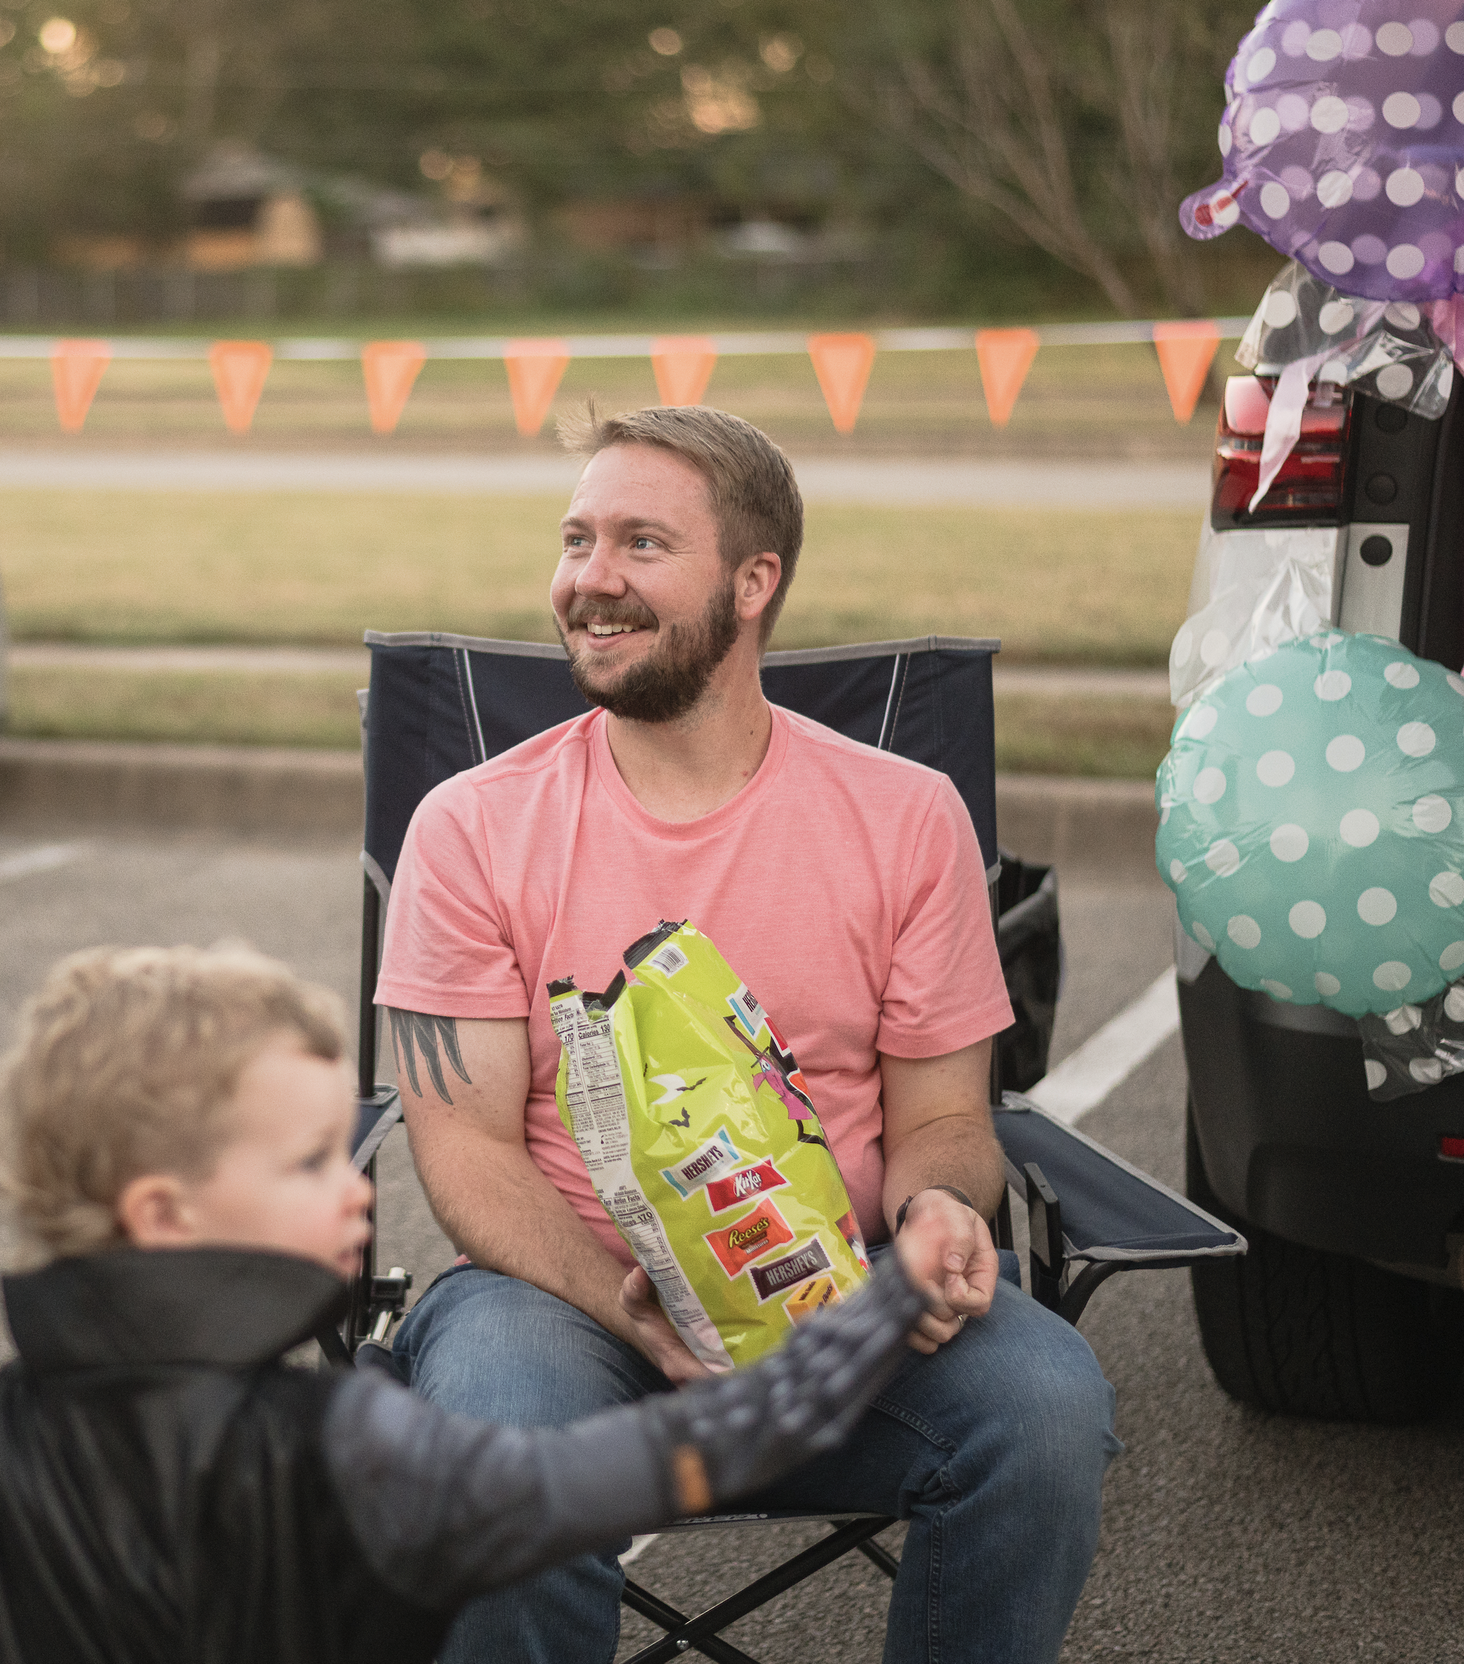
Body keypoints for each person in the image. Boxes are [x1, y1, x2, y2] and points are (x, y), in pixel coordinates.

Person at [373, 405, 1119, 1664]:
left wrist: (940, 1213)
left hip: (841, 1295)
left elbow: (944, 1116)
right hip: (560, 1299)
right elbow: (465, 1148)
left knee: (1042, 1409)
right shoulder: (472, 826)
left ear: (753, 580)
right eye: (576, 538)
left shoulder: (905, 815)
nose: (589, 579)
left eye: (641, 543)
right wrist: (634, 1312)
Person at [0, 943, 961, 1664]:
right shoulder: (347, 1443)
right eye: (310, 1161)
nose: (358, 1185)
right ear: (163, 1211)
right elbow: (682, 1455)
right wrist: (876, 1308)